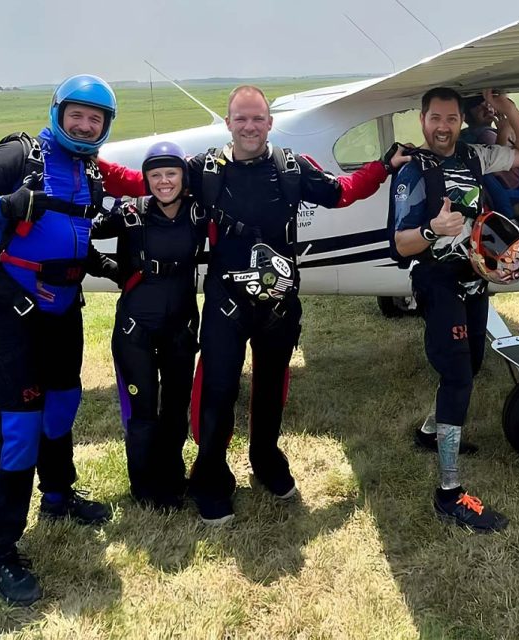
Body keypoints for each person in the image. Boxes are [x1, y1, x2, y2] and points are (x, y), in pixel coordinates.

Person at [98, 84, 393, 524]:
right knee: (219, 390)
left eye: (258, 119)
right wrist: (87, 161)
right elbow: (147, 180)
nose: (250, 127)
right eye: (241, 119)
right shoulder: (204, 170)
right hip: (226, 303)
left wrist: (384, 166)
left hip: (278, 302)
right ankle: (211, 477)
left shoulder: (293, 169)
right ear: (228, 123)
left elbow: (343, 191)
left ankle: (267, 461)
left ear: (269, 123)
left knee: (272, 387)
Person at [0, 74, 118, 605]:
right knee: (20, 427)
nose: (84, 124)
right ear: (57, 112)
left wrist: (110, 265)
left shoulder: (86, 173)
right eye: (77, 114)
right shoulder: (18, 155)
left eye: (95, 119)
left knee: (62, 407)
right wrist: (3, 206)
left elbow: (71, 237)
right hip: (11, 313)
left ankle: (57, 495)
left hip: (62, 310)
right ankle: (0, 550)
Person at [392, 87, 519, 532]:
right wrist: (432, 229)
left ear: (459, 121)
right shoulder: (412, 174)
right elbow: (400, 244)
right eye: (435, 118)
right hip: (437, 281)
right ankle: (449, 494)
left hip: (474, 278)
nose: (443, 127)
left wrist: (506, 107)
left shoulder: (475, 156)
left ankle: (429, 433)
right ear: (422, 120)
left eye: (451, 119)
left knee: (472, 363)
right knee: (457, 376)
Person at [92, 141, 204, 511]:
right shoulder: (129, 213)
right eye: (155, 175)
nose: (164, 181)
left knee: (174, 409)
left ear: (183, 177)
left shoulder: (199, 213)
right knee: (144, 412)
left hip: (180, 328)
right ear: (146, 179)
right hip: (134, 331)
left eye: (171, 173)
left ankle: (172, 479)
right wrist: (110, 270)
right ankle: (143, 486)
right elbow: (80, 234)